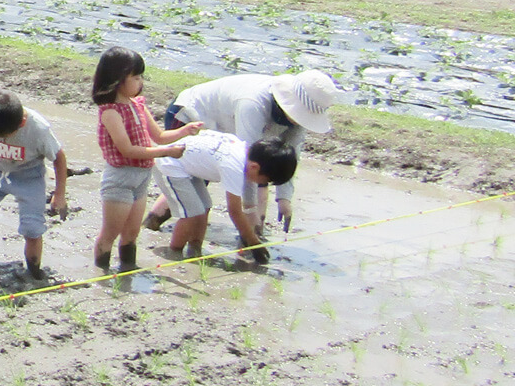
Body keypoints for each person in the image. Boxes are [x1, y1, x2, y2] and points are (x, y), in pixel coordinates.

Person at [148, 70, 335, 233]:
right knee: (191, 180)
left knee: (197, 183)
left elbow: (289, 156)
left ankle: (154, 222)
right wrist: (251, 214)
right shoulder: (253, 103)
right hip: (191, 116)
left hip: (222, 131)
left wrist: (284, 199)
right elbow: (249, 162)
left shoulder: (296, 122)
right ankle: (155, 224)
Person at [90, 47, 202, 272]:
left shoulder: (138, 105)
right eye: (136, 77)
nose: (141, 82)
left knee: (132, 233)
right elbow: (128, 150)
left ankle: (127, 271)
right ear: (118, 79)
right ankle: (100, 273)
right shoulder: (110, 111)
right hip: (120, 178)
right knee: (110, 234)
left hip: (142, 176)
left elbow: (159, 136)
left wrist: (185, 131)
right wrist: (166, 153)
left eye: (141, 77)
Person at [153, 132, 298, 264]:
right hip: (170, 164)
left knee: (204, 207)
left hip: (187, 166)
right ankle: (175, 252)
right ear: (254, 167)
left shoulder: (243, 151)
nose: (263, 184)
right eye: (265, 180)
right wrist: (254, 243)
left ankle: (195, 251)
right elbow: (235, 211)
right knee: (191, 213)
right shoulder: (233, 166)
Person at [0, 90, 69, 279]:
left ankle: (34, 274)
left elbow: (59, 157)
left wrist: (60, 194)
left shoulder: (39, 129)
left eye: (5, 136)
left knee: (32, 229)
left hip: (29, 177)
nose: (2, 140)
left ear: (21, 124)